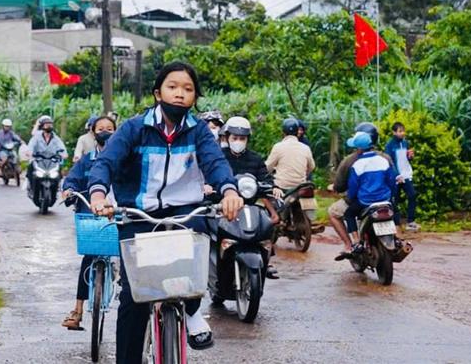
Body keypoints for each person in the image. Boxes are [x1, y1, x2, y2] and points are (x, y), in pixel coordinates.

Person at [87, 61, 243, 362]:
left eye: (188, 89)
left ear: (195, 98)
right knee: (135, 296)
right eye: (173, 87)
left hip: (184, 210)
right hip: (138, 213)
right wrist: (97, 195)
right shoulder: (134, 128)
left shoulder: (199, 132)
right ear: (158, 92)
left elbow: (216, 164)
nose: (180, 94)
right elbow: (106, 162)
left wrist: (230, 191)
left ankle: (194, 311)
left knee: (196, 262)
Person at [61, 115, 117, 330]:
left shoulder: (126, 158)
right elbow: (73, 178)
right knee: (89, 258)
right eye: (101, 128)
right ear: (93, 132)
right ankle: (78, 310)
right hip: (92, 216)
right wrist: (69, 189)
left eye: (110, 128)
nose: (105, 131)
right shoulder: (87, 159)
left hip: (119, 215)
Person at [221, 115, 282, 279]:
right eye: (235, 138)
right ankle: (210, 262)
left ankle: (266, 259)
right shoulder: (219, 157)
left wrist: (274, 187)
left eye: (242, 138)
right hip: (223, 206)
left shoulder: (255, 158)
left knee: (266, 225)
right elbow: (208, 174)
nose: (238, 141)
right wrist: (206, 186)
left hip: (249, 206)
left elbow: (265, 177)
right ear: (227, 138)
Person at [329, 131, 396, 258]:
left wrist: (350, 197)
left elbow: (353, 188)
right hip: (384, 199)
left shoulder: (357, 165)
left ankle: (355, 242)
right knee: (394, 211)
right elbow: (391, 181)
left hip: (365, 201)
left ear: (359, 148)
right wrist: (390, 195)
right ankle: (396, 236)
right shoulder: (383, 160)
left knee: (349, 214)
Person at [265, 118, 315, 193]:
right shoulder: (306, 148)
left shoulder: (278, 147)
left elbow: (267, 168)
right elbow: (312, 167)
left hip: (281, 187)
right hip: (300, 187)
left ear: (283, 132)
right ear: (297, 132)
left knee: (264, 196)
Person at [385, 122, 419, 231]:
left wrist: (410, 156)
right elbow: (390, 162)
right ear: (394, 132)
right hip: (396, 177)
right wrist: (396, 175)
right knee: (395, 200)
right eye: (399, 131)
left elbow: (406, 159)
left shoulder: (405, 143)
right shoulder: (389, 145)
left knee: (412, 195)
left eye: (403, 130)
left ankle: (410, 221)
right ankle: (396, 223)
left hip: (406, 174)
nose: (402, 133)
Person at [27, 115, 68, 191]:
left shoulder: (55, 138)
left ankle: (58, 185)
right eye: (47, 124)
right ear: (42, 126)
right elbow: (31, 146)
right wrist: (29, 152)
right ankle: (30, 184)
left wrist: (64, 154)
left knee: (59, 168)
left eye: (50, 124)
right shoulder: (37, 136)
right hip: (38, 159)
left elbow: (62, 148)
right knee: (30, 166)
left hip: (51, 160)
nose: (49, 126)